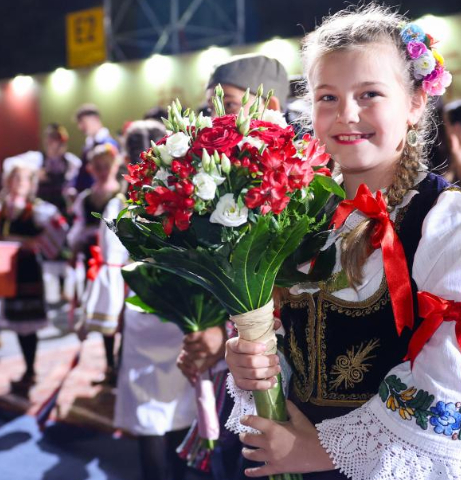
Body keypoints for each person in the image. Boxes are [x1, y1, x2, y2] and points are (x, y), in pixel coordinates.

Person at [224, 6, 461, 479]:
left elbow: (452, 377)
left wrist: (322, 452)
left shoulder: (443, 218)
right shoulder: (299, 210)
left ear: (416, 102)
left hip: (395, 462)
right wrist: (252, 358)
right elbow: (285, 330)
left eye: (370, 94)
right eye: (327, 97)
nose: (346, 114)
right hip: (294, 449)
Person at [174, 53, 292, 480]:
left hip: (290, 387)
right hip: (236, 380)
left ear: (271, 108)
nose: (213, 119)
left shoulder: (293, 180)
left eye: (227, 104)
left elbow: (290, 294)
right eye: (209, 108)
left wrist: (220, 335)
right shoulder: (219, 178)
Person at [86, 119, 198, 480]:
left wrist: (110, 317)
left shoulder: (121, 204)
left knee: (150, 408)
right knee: (180, 403)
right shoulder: (185, 198)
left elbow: (111, 266)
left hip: (141, 308)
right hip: (181, 309)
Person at [0, 161, 67, 388]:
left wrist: (37, 243)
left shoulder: (36, 209)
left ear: (30, 184)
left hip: (28, 269)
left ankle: (30, 369)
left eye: (23, 179)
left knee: (29, 320)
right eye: (15, 179)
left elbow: (60, 227)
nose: (18, 184)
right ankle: (28, 368)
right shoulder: (4, 208)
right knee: (17, 320)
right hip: (10, 269)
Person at [70, 143, 123, 385]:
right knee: (104, 314)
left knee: (122, 314)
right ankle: (110, 365)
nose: (102, 171)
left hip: (118, 261)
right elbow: (78, 229)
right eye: (98, 167)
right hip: (94, 261)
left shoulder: (121, 195)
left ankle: (122, 362)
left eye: (106, 166)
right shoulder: (87, 198)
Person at [36, 123, 81, 219]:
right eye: (51, 140)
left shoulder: (72, 162)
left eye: (60, 142)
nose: (55, 145)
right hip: (42, 211)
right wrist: (34, 176)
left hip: (63, 210)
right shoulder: (37, 160)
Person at [74, 104, 119, 193]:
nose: (81, 127)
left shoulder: (108, 144)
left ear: (95, 119)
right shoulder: (87, 145)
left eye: (83, 122)